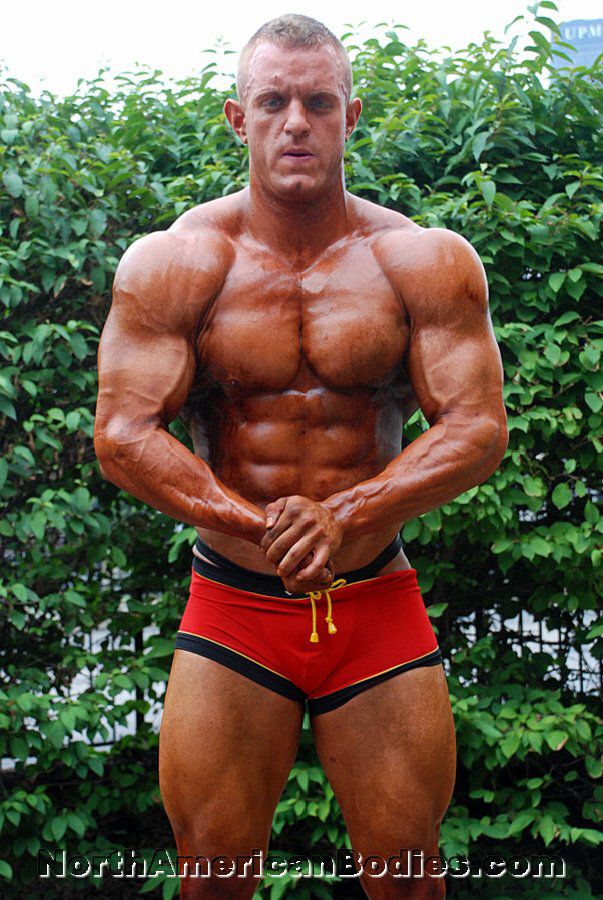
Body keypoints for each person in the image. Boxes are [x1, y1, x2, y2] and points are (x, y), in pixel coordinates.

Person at [94, 13, 507, 899]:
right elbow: (122, 436)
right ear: (237, 118)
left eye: (318, 103)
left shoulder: (422, 260)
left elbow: (476, 427)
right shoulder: (175, 263)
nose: (295, 123)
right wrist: (260, 527)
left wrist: (346, 513)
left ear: (349, 116)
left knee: (408, 875)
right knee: (212, 875)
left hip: (373, 603)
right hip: (234, 609)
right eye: (272, 102)